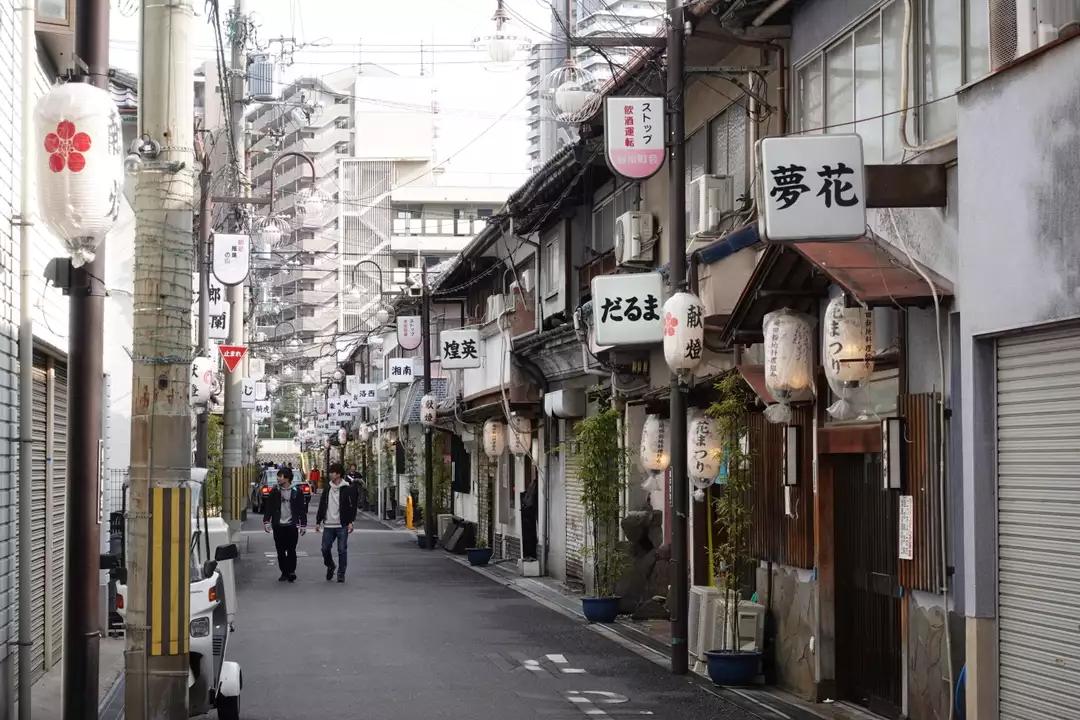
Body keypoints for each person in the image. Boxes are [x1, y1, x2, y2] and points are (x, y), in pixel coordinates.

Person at [262, 467, 307, 582]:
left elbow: (301, 509)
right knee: (280, 550)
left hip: (292, 525)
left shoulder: (297, 491)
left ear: (287, 478)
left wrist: (303, 524)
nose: (278, 478)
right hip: (278, 525)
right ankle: (284, 572)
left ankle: (291, 571)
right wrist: (266, 521)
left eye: (280, 476)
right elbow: (269, 508)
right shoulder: (275, 491)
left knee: (291, 549)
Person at [315, 463, 356, 583]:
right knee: (325, 548)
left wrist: (350, 521)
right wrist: (318, 521)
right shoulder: (327, 488)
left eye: (332, 472)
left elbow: (351, 506)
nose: (330, 475)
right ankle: (330, 565)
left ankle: (341, 573)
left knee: (342, 549)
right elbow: (322, 505)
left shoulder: (347, 488)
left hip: (341, 524)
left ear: (338, 474)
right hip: (328, 524)